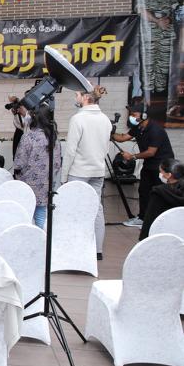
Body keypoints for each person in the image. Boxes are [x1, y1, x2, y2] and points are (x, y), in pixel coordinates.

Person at [64, 86, 112, 258]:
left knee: (73, 209)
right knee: (96, 209)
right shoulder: (105, 119)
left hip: (79, 171)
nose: (75, 97)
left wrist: (64, 176)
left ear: (85, 98)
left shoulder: (78, 119)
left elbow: (70, 150)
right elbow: (106, 148)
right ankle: (98, 250)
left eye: (77, 94)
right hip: (97, 170)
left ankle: (74, 247)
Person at [113, 100, 176, 228]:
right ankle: (142, 218)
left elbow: (151, 152)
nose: (131, 117)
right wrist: (109, 132)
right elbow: (123, 137)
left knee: (160, 192)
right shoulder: (138, 127)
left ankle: (162, 220)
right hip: (149, 164)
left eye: (134, 114)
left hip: (161, 166)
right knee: (144, 191)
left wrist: (132, 156)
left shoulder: (155, 130)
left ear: (144, 115)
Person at [14, 105, 61, 229]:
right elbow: (57, 164)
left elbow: (18, 163)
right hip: (46, 184)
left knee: (26, 215)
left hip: (28, 185)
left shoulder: (28, 137)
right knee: (41, 216)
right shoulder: (54, 138)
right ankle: (41, 238)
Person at [138, 0, 179, 96]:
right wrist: (157, 21)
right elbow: (140, 9)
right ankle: (147, 95)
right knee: (148, 65)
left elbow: (177, 12)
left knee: (164, 66)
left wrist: (168, 20)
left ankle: (160, 94)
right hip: (149, 35)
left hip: (166, 36)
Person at [139, 158, 184, 239]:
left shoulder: (159, 192)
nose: (159, 174)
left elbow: (150, 217)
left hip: (163, 232)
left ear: (169, 175)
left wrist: (144, 238)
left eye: (161, 172)